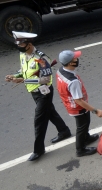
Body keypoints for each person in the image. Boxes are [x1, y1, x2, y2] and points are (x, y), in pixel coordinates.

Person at [4, 32, 72, 161]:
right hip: (33, 92)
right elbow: (23, 70)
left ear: (29, 44)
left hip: (43, 93)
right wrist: (15, 76)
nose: (19, 46)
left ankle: (38, 150)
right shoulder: (23, 54)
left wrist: (24, 81)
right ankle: (64, 131)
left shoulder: (41, 59)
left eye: (21, 44)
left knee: (39, 121)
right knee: (50, 112)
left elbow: (46, 79)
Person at [56, 50, 102, 157]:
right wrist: (95, 111)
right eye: (75, 59)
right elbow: (78, 100)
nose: (77, 60)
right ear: (70, 63)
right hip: (78, 108)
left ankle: (86, 138)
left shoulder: (60, 71)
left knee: (85, 123)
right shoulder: (73, 81)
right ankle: (80, 149)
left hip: (70, 104)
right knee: (82, 127)